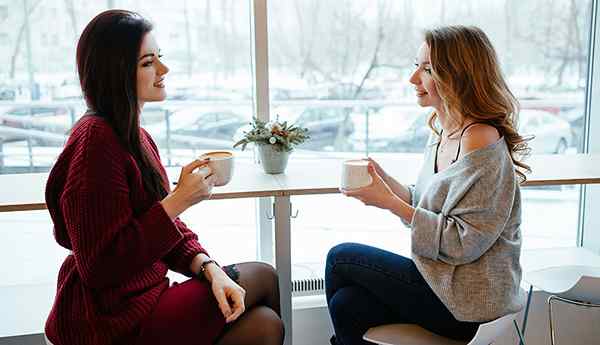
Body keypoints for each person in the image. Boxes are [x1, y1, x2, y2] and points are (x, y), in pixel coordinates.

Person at [44, 10, 283, 345]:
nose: (163, 70)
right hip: (108, 319)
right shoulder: (95, 143)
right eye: (147, 63)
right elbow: (99, 267)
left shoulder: (135, 136)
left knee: (264, 321)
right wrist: (179, 199)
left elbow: (163, 229)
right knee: (264, 288)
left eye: (160, 58)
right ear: (116, 73)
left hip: (143, 299)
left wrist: (209, 268)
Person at [325, 25, 531, 345]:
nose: (413, 79)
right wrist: (385, 182)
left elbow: (463, 242)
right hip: (439, 283)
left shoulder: (481, 140)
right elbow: (426, 205)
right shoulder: (442, 132)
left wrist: (389, 202)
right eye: (416, 66)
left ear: (458, 76)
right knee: (346, 305)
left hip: (469, 303)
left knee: (340, 258)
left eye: (427, 69)